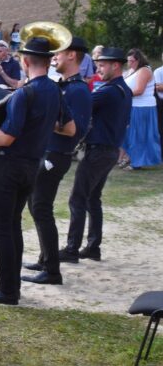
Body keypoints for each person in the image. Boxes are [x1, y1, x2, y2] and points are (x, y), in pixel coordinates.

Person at [0, 37, 72, 306]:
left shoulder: (24, 93)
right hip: (33, 166)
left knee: (2, 229)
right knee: (12, 225)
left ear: (25, 62)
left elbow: (6, 137)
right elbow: (68, 127)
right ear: (50, 61)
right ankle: (10, 287)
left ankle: (7, 290)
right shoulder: (55, 90)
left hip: (10, 166)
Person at [22, 37, 91, 286]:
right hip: (47, 153)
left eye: (59, 53)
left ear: (72, 55)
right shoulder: (63, 86)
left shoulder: (78, 90)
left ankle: (52, 270)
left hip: (56, 156)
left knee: (42, 209)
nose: (55, 58)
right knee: (36, 207)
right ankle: (45, 260)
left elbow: (77, 130)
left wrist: (38, 120)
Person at [61, 47, 133, 263]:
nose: (98, 69)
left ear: (116, 65)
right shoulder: (124, 89)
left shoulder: (109, 90)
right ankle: (93, 247)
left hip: (99, 150)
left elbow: (81, 105)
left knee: (78, 199)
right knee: (93, 199)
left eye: (102, 65)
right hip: (109, 150)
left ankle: (72, 249)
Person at [119, 49, 161, 169]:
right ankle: (129, 158)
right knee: (129, 134)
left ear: (139, 60)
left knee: (138, 135)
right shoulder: (132, 70)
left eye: (132, 61)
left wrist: (121, 94)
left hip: (143, 107)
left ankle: (136, 162)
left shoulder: (144, 70)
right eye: (128, 61)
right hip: (133, 106)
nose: (129, 63)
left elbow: (139, 90)